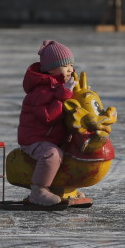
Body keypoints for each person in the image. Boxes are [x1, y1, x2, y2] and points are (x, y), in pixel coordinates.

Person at [17, 40, 78, 206]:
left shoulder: (62, 87)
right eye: (66, 66)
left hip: (54, 137)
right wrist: (64, 95)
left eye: (71, 65)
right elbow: (48, 117)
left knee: (73, 150)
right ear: (50, 69)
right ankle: (38, 191)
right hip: (34, 139)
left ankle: (64, 188)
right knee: (51, 155)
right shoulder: (40, 91)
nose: (70, 70)